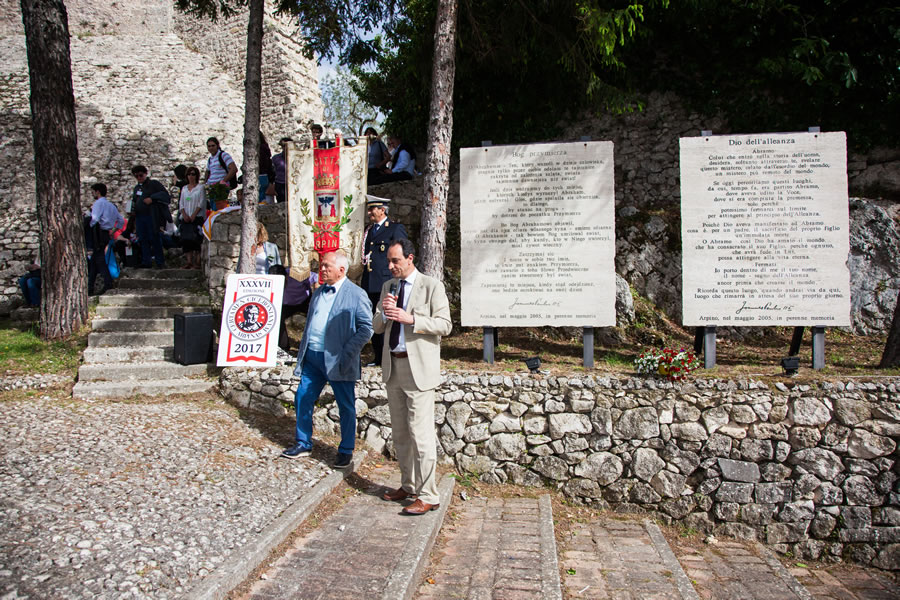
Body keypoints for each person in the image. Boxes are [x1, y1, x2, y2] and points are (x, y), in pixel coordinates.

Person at [375, 239, 452, 515]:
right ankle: (408, 485)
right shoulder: (388, 287)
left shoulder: (432, 286)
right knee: (400, 433)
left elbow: (445, 325)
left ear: (410, 258)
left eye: (395, 260)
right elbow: (376, 326)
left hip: (418, 370)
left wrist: (412, 320)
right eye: (389, 261)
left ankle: (429, 494)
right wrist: (385, 313)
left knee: (421, 434)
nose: (391, 266)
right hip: (393, 368)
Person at [281, 252, 373, 469]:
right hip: (313, 356)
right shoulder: (318, 292)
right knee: (303, 397)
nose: (321, 269)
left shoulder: (356, 294)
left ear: (341, 270)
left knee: (345, 405)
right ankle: (303, 442)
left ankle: (346, 450)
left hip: (339, 359)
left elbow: (366, 328)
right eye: (321, 266)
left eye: (326, 266)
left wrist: (348, 352)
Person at [360, 195, 408, 366]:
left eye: (372, 209)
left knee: (388, 319)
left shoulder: (394, 228)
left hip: (386, 282)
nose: (369, 213)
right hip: (369, 281)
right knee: (375, 320)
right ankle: (378, 357)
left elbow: (402, 252)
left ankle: (389, 355)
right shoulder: (368, 230)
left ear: (382, 210)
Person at [269, 264, 318, 352]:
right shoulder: (271, 281)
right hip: (286, 305)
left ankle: (312, 345)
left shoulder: (296, 274)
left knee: (316, 318)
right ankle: (283, 348)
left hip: (304, 301)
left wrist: (316, 287)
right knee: (277, 319)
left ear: (286, 276)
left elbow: (315, 277)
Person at [129, 165, 171, 269]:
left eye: (140, 175)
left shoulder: (154, 184)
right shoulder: (137, 188)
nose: (139, 178)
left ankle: (160, 261)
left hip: (151, 215)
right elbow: (135, 200)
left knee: (154, 238)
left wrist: (152, 198)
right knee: (143, 239)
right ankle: (146, 261)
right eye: (136, 176)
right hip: (140, 216)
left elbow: (165, 195)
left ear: (145, 174)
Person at [179, 166, 206, 269]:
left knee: (197, 239)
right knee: (186, 240)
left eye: (193, 174)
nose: (191, 176)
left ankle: (197, 262)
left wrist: (194, 214)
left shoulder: (200, 188)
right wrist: (184, 215)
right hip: (186, 217)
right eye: (189, 174)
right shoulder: (184, 189)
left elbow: (201, 203)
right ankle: (189, 261)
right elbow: (181, 203)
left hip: (197, 217)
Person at [204, 137, 238, 208]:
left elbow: (233, 169)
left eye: (213, 145)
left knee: (218, 209)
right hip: (211, 188)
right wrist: (205, 183)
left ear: (217, 145)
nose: (211, 148)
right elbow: (208, 171)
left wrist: (223, 181)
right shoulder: (210, 159)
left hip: (220, 188)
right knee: (214, 209)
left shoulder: (223, 155)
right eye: (209, 146)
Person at [272, 137, 291, 203]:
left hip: (292, 184)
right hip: (280, 184)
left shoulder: (296, 157)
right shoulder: (276, 158)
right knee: (281, 202)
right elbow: (272, 171)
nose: (285, 148)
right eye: (283, 146)